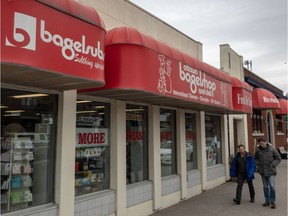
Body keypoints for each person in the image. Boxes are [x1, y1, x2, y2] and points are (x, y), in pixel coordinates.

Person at [255, 138, 281, 209]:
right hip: (262, 171)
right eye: (260, 143)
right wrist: (258, 164)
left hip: (271, 170)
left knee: (272, 186)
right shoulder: (257, 150)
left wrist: (273, 164)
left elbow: (278, 158)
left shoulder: (272, 149)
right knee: (266, 187)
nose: (262, 144)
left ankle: (273, 202)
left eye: (263, 143)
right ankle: (267, 201)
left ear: (266, 142)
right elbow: (255, 158)